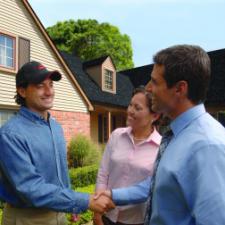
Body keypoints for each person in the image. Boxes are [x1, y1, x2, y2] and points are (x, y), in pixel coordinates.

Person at [96, 44, 225, 225]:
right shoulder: (175, 135)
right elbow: (156, 185)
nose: (148, 88)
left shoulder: (208, 146)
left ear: (180, 89)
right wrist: (113, 194)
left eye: (155, 82)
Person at [0, 61, 115, 225]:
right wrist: (84, 201)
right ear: (22, 91)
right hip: (27, 218)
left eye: (51, 85)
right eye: (40, 86)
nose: (49, 92)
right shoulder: (11, 134)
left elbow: (61, 170)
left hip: (58, 213)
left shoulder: (55, 126)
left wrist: (71, 205)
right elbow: (31, 188)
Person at [94, 86, 162, 225]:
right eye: (130, 105)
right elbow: (103, 174)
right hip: (107, 216)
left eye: (137, 108)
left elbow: (151, 188)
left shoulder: (161, 148)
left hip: (136, 220)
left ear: (154, 116)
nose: (130, 111)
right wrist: (97, 212)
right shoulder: (116, 135)